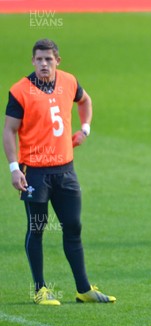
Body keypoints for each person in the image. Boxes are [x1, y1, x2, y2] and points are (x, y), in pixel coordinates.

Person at [3, 39, 115, 305]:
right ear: (32, 61)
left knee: (73, 227)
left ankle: (83, 289)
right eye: (39, 59)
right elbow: (9, 130)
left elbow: (85, 101)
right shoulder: (20, 91)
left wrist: (85, 128)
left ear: (57, 61)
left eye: (48, 59)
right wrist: (14, 168)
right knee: (37, 228)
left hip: (65, 171)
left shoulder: (69, 81)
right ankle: (41, 289)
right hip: (35, 173)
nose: (43, 64)